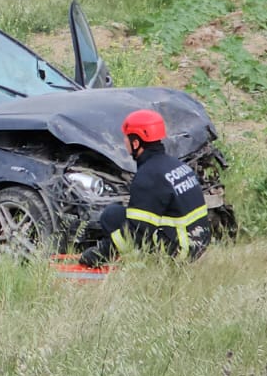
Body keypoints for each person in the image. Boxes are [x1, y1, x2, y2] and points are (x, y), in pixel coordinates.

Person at [78, 109, 209, 267]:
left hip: (179, 252)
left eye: (126, 138)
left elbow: (137, 232)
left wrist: (100, 253)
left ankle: (146, 263)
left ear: (136, 143)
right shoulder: (176, 165)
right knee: (113, 215)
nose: (124, 142)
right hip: (199, 243)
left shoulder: (148, 176)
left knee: (112, 217)